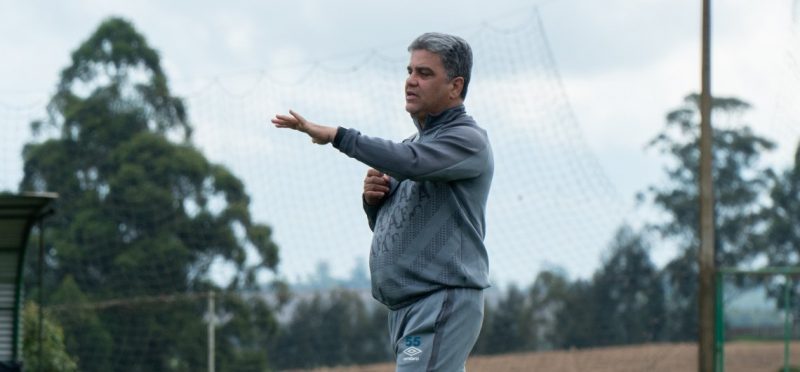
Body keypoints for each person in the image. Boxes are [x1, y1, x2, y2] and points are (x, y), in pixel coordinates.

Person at [272, 32, 493, 372]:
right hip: (406, 308)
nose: (411, 81)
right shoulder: (413, 145)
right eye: (410, 71)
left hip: (440, 299)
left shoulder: (467, 140)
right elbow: (391, 224)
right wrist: (374, 203)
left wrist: (339, 136)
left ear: (455, 86)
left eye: (424, 73)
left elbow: (411, 163)